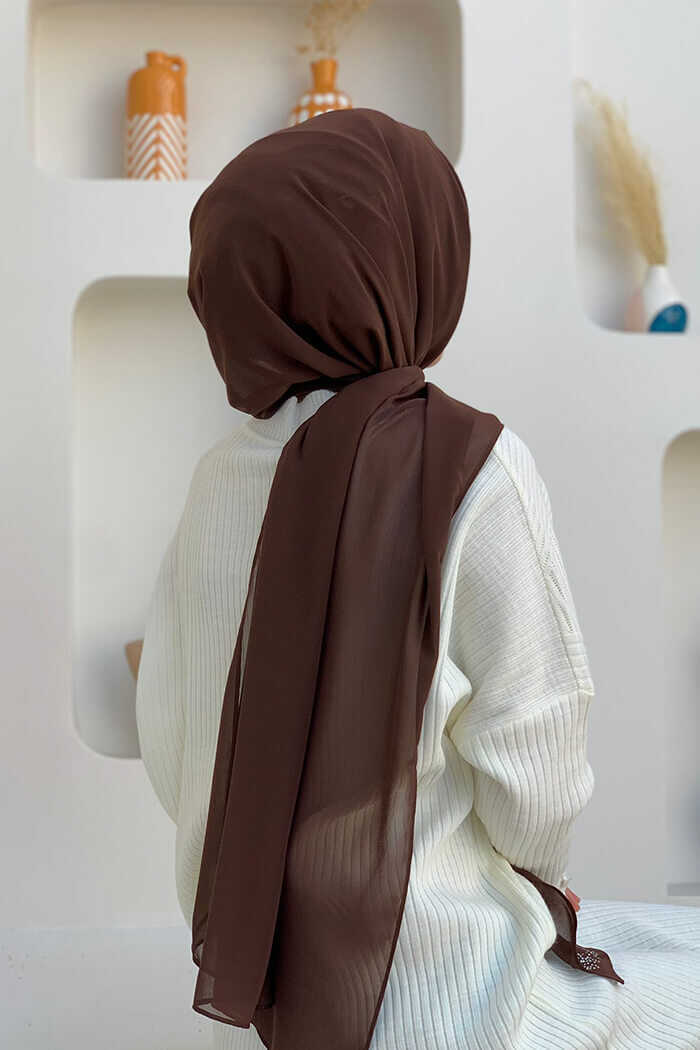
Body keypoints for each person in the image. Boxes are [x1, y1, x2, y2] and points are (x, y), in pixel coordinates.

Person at [135, 108, 700, 1050]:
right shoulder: (473, 464)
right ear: (414, 264)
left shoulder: (217, 483)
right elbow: (537, 758)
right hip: (470, 998)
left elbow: (170, 732)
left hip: (280, 1004)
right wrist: (545, 880)